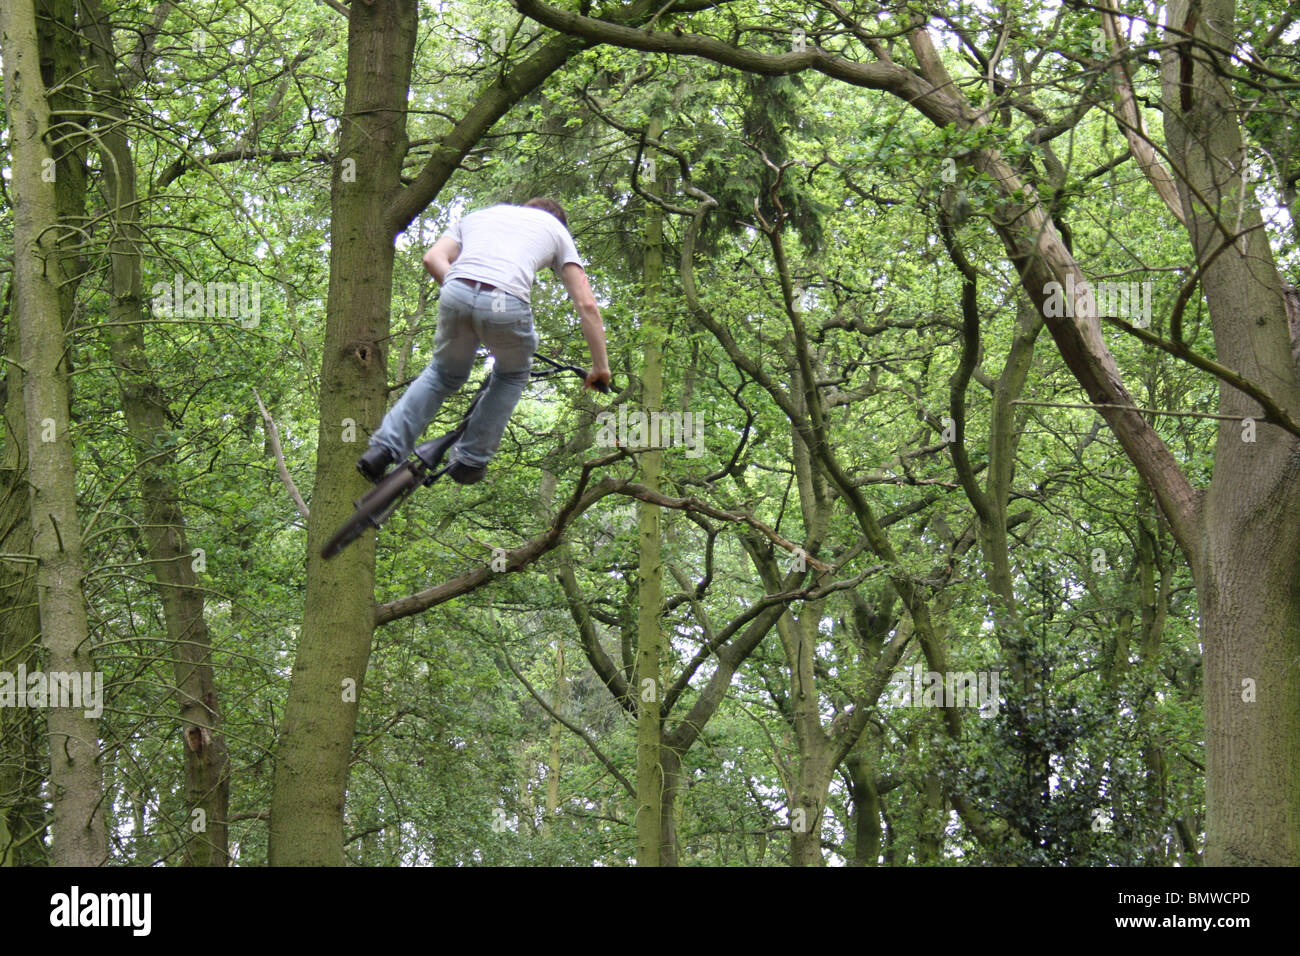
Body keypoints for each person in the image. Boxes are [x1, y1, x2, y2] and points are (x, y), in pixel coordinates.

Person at [358, 197, 611, 485]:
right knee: (513, 374)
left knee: (442, 374)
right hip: (506, 300)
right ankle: (471, 459)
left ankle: (383, 449)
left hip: (456, 288)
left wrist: (469, 300)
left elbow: (432, 258)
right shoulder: (555, 229)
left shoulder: (481, 215)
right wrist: (600, 367)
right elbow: (587, 304)